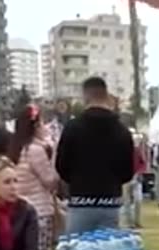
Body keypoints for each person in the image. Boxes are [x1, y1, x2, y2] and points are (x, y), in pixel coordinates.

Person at [54, 76, 135, 234]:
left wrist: (76, 180)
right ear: (106, 95)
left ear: (85, 96)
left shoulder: (72, 128)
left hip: (80, 201)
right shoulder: (122, 131)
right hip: (110, 202)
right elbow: (127, 172)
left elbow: (61, 166)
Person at [10, 104, 59, 250]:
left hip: (19, 210)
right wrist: (54, 157)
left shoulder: (15, 149)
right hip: (40, 210)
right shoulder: (35, 150)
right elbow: (50, 180)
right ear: (36, 126)